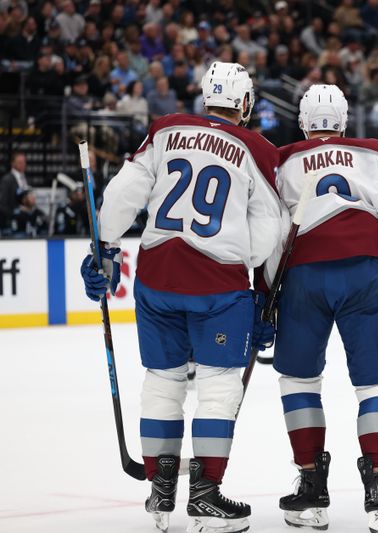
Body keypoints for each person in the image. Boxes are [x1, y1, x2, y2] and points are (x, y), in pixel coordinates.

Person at [79, 62, 285, 533]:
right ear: (246, 104)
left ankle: (160, 491)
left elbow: (124, 192)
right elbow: (267, 233)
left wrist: (105, 249)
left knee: (163, 381)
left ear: (204, 96)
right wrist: (253, 279)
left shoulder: (166, 129)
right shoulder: (257, 148)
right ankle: (207, 497)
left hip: (156, 276)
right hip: (217, 284)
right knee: (217, 387)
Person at [268, 84, 378, 533]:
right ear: (344, 120)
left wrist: (272, 290)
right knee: (377, 383)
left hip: (303, 277)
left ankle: (310, 488)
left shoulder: (281, 161)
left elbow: (271, 230)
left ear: (302, 122)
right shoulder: (372, 155)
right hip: (363, 273)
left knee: (298, 379)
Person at [0, 152, 29, 227]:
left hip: (25, 218)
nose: (23, 164)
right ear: (12, 163)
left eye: (24, 162)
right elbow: (3, 204)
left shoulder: (25, 177)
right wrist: (16, 211)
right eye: (20, 162)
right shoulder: (7, 180)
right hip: (12, 220)